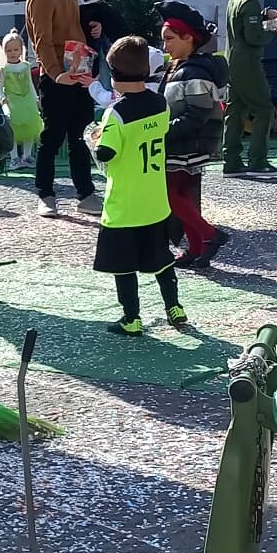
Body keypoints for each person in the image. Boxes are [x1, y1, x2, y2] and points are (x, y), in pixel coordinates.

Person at [86, 36, 187, 336]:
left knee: (123, 265)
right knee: (161, 260)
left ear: (114, 75)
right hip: (155, 201)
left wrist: (93, 139)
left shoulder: (115, 114)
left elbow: (106, 153)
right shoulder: (160, 103)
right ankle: (175, 307)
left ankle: (132, 319)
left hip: (124, 205)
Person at [25, 0, 102, 218]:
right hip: (56, 76)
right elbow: (41, 42)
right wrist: (57, 75)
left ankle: (86, 193)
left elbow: (75, 19)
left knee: (81, 135)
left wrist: (93, 28)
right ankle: (45, 194)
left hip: (79, 70)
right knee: (52, 137)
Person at [156, 0, 230, 269]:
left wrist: (162, 133)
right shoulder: (180, 67)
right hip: (189, 144)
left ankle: (210, 235)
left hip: (184, 144)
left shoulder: (194, 72)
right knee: (185, 195)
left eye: (170, 39)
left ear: (189, 38)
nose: (165, 46)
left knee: (168, 193)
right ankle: (197, 248)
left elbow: (196, 116)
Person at [224, 0, 277, 178]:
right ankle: (258, 161)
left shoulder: (234, 0)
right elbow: (254, 37)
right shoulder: (250, 2)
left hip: (233, 63)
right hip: (248, 64)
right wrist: (276, 31)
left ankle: (231, 161)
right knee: (263, 109)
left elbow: (245, 25)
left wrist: (266, 14)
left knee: (236, 110)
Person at [0, 29, 41, 169]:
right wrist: (3, 101)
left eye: (15, 49)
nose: (12, 53)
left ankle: (27, 156)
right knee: (13, 130)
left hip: (27, 102)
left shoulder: (26, 66)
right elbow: (0, 88)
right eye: (8, 50)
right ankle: (14, 158)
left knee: (30, 127)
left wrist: (36, 98)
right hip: (12, 102)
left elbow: (30, 84)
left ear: (21, 50)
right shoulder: (3, 69)